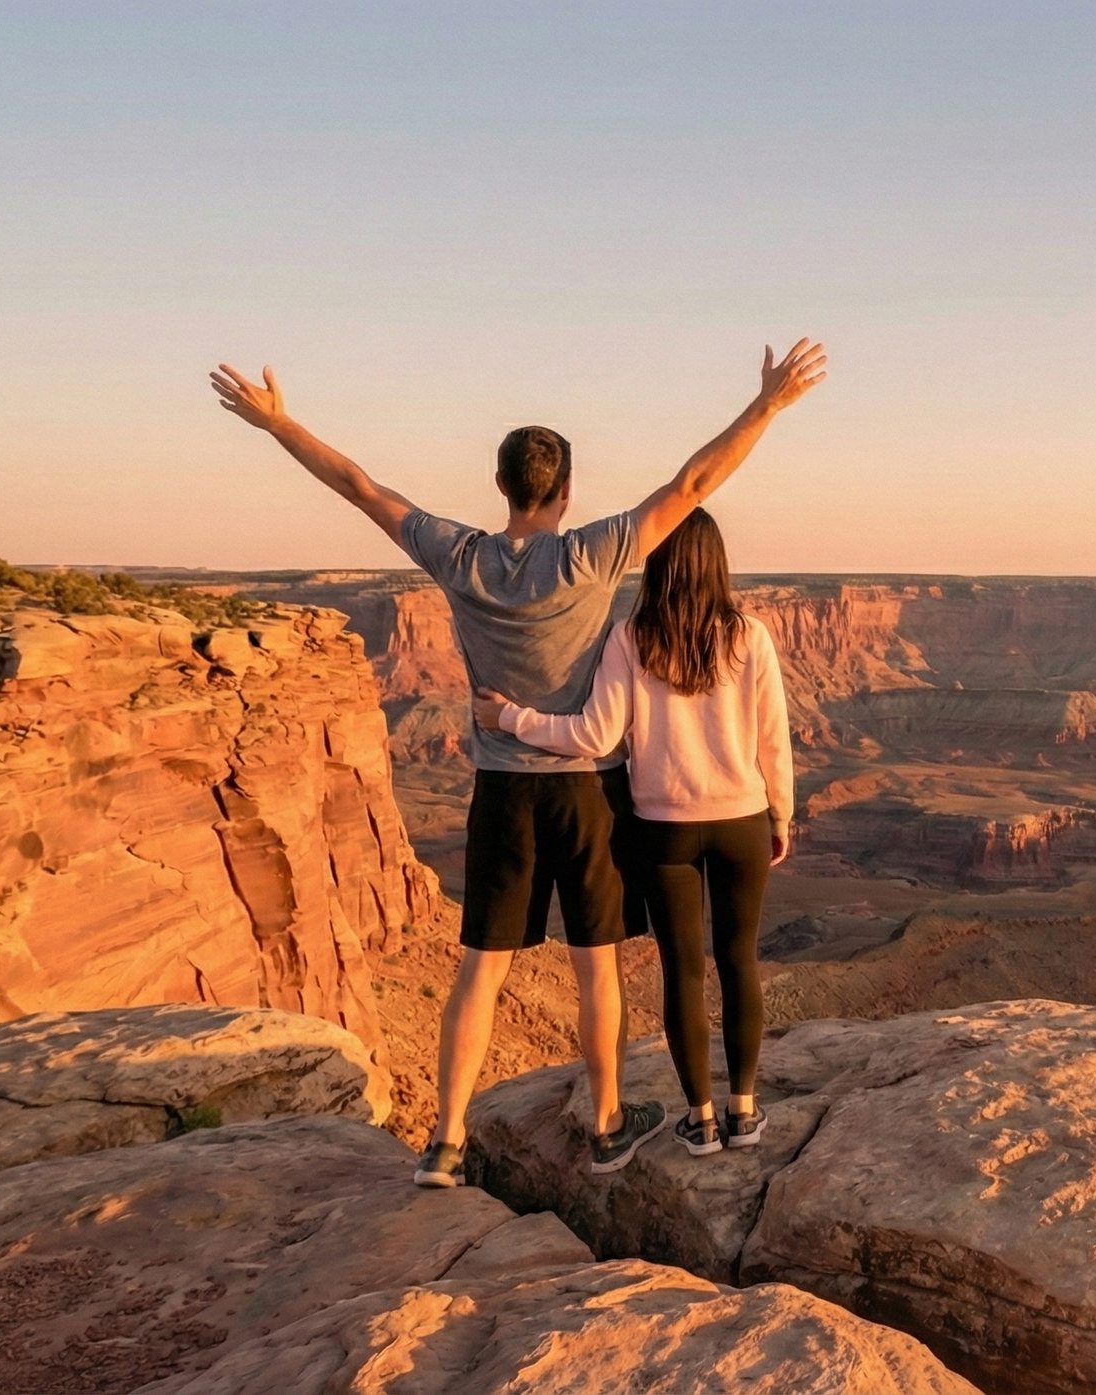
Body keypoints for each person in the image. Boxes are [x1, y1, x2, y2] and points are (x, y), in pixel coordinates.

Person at [210, 341, 826, 1185]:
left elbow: (361, 487)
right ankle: (609, 1124)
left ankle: (447, 1141)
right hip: (587, 796)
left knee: (481, 968)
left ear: (502, 487)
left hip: (501, 791)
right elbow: (691, 487)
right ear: (565, 489)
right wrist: (769, 405)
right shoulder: (592, 555)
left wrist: (279, 423)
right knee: (596, 959)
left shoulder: (459, 556)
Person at [475, 507, 789, 1155]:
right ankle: (745, 1112)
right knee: (738, 961)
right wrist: (780, 814)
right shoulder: (749, 635)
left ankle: (699, 1119)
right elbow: (773, 742)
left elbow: (593, 734)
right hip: (741, 822)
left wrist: (511, 718)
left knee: (682, 972)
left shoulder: (632, 636)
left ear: (658, 562)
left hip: (665, 829)